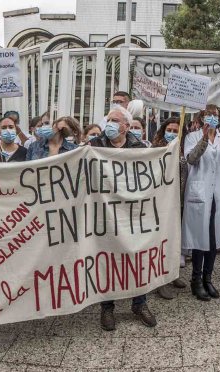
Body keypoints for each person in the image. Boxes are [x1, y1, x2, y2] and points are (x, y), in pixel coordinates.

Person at [86, 107, 154, 331]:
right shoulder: (94, 146)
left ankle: (139, 303)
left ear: (126, 125)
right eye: (108, 120)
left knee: (137, 256)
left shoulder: (139, 147)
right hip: (105, 212)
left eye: (115, 121)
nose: (110, 124)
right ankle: (107, 307)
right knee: (107, 258)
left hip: (132, 212)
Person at [183, 108, 220, 301]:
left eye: (216, 115)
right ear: (201, 118)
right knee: (200, 237)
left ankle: (208, 278)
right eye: (209, 115)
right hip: (201, 193)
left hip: (219, 194)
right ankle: (196, 280)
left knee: (213, 238)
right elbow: (191, 159)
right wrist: (204, 139)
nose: (212, 118)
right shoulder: (192, 137)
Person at [151, 117, 188, 298]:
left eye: (176, 130)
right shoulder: (156, 148)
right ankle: (160, 281)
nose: (172, 133)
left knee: (174, 239)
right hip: (161, 202)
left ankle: (172, 273)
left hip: (178, 200)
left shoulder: (182, 147)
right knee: (161, 241)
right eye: (170, 129)